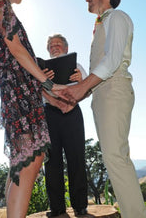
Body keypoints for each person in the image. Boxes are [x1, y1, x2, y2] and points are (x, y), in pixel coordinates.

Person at [0, 0, 69, 218]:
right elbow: (16, 48)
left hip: (19, 90)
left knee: (23, 162)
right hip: (19, 90)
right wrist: (48, 83)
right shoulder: (0, 4)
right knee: (30, 161)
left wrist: (48, 94)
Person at [65, 0, 146, 218]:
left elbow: (112, 61)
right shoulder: (102, 24)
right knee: (112, 158)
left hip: (114, 90)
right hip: (102, 94)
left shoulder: (118, 17)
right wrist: (79, 92)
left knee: (116, 157)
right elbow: (101, 69)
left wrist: (82, 86)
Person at [41, 34, 88, 217]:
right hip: (50, 115)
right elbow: (37, 94)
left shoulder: (78, 67)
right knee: (52, 161)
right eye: (51, 45)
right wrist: (43, 80)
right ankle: (57, 208)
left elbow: (88, 89)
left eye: (58, 44)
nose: (54, 46)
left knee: (76, 158)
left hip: (73, 113)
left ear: (66, 48)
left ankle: (80, 205)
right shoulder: (41, 69)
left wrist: (80, 80)